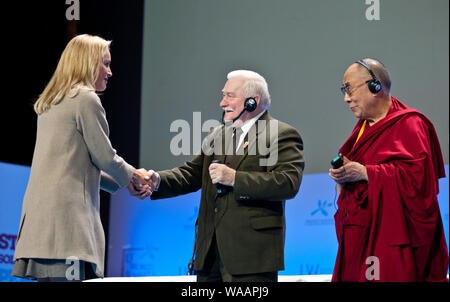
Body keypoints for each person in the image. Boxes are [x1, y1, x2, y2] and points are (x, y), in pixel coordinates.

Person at [130, 70, 304, 282]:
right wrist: (156, 180)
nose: (222, 103)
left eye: (230, 96)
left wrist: (234, 178)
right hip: (209, 255)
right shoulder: (217, 135)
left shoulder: (280, 134)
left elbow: (287, 182)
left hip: (251, 258)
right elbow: (191, 174)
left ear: (253, 101)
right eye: (223, 95)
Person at [11, 34, 151, 282]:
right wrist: (134, 175)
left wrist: (123, 182)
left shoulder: (52, 102)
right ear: (86, 63)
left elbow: (75, 165)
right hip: (68, 228)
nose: (110, 72)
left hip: (42, 227)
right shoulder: (86, 99)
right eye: (105, 64)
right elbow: (105, 157)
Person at [329, 58, 448, 282]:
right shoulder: (362, 129)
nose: (346, 99)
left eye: (350, 89)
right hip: (360, 235)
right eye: (343, 91)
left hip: (393, 236)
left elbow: (420, 186)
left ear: (375, 86)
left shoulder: (410, 124)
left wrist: (366, 173)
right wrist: (343, 180)